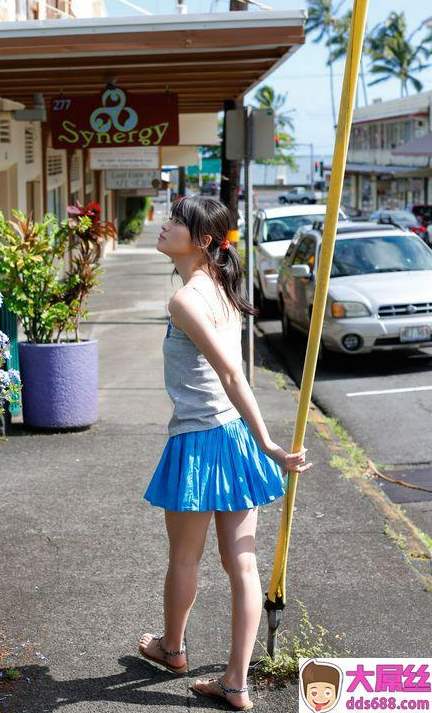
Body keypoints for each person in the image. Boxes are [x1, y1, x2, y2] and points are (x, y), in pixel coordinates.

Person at [139, 196, 313, 711]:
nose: (165, 225)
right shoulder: (220, 289)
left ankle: (172, 649)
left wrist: (270, 443)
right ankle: (236, 682)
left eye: (175, 221)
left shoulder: (187, 299)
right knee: (242, 563)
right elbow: (236, 376)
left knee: (185, 558)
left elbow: (232, 375)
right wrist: (259, 441)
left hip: (198, 442)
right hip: (232, 438)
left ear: (203, 241)